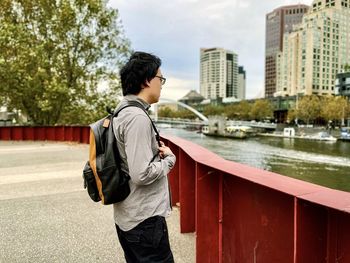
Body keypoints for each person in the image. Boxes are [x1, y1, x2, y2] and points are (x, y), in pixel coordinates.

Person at [113, 51, 176, 263]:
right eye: (161, 79)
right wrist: (169, 160)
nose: (162, 84)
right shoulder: (137, 118)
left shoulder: (121, 112)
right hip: (145, 222)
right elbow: (140, 174)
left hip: (128, 216)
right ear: (147, 80)